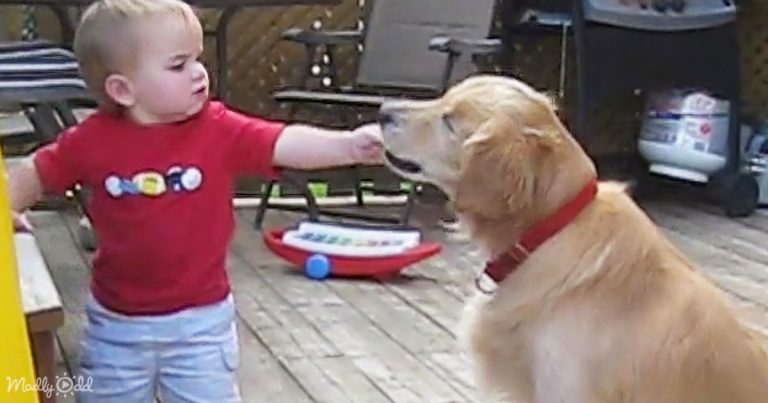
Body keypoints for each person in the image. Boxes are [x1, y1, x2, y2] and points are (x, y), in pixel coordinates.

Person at [7, 0, 384, 401]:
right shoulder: (91, 141)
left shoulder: (217, 130)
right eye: (178, 64)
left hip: (200, 325)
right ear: (123, 89)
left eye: (197, 58)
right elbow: (37, 171)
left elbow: (283, 142)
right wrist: (7, 208)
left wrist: (348, 145)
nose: (199, 72)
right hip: (117, 324)